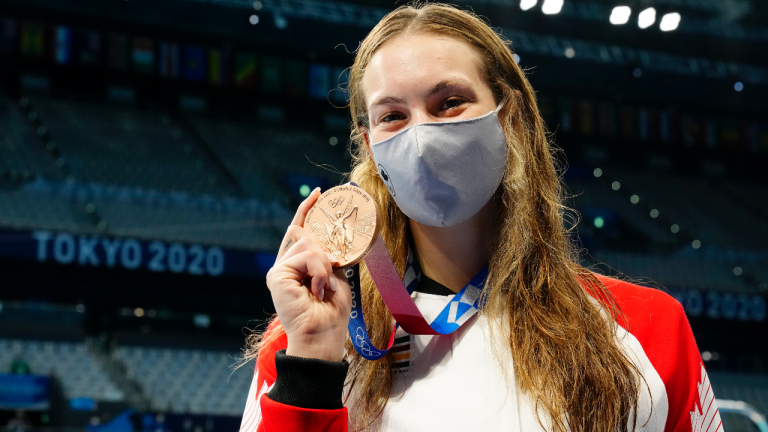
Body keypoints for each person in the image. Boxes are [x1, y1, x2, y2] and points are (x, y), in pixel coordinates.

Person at [239, 3, 721, 431]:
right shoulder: (304, 338)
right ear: (371, 148)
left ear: (509, 119)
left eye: (448, 102)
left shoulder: (649, 329)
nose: (422, 136)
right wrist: (311, 369)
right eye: (392, 116)